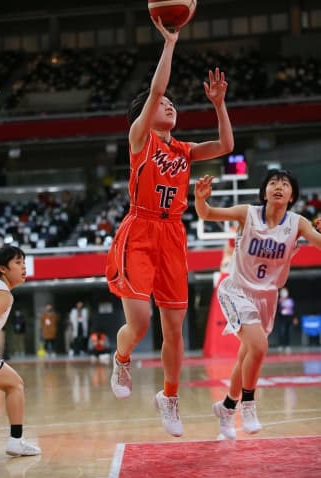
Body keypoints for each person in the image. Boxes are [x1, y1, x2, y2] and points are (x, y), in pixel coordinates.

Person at [105, 16, 234, 437]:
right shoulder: (140, 137)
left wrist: (218, 105)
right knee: (140, 323)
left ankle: (170, 397)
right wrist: (170, 43)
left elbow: (226, 146)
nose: (170, 105)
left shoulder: (183, 149)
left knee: (174, 329)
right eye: (164, 104)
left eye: (173, 104)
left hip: (173, 233)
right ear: (145, 113)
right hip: (139, 230)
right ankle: (121, 359)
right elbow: (157, 90)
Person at [194, 169, 321, 440]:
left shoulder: (298, 223)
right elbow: (207, 214)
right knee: (260, 347)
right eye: (273, 183)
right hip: (236, 290)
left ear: (292, 196)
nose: (278, 186)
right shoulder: (247, 214)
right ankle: (249, 404)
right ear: (264, 193)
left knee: (246, 356)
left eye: (285, 184)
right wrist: (201, 200)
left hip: (267, 297)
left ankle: (228, 407)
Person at [0, 245, 41, 456]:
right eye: (18, 263)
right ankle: (16, 441)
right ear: (3, 268)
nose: (24, 267)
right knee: (15, 385)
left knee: (14, 383)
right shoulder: (2, 293)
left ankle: (16, 441)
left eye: (24, 262)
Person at [277, 287, 297, 353]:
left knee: (288, 333)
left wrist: (295, 318)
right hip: (282, 319)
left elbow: (294, 309)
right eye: (282, 292)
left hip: (290, 319)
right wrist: (280, 302)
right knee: (281, 332)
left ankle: (287, 346)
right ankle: (281, 345)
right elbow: (277, 310)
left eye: (285, 292)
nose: (284, 293)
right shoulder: (279, 300)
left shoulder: (290, 300)